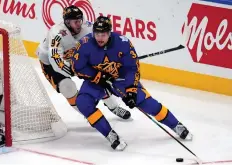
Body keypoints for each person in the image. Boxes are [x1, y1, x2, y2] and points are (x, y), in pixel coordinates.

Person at [71, 16, 193, 151]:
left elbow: (132, 68)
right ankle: (109, 134)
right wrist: (98, 76)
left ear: (110, 33)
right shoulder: (85, 44)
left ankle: (176, 125)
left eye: (103, 34)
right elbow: (77, 67)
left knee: (146, 103)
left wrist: (130, 90)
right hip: (97, 81)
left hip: (120, 79)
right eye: (97, 34)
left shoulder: (123, 43)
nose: (99, 38)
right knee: (83, 103)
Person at [36, 5, 131, 120]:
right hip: (51, 64)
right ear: (67, 22)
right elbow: (55, 60)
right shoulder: (56, 33)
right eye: (75, 22)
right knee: (67, 87)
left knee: (99, 77)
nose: (79, 24)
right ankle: (90, 114)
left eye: (80, 20)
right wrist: (77, 70)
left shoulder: (88, 27)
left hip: (73, 58)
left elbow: (103, 42)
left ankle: (113, 107)